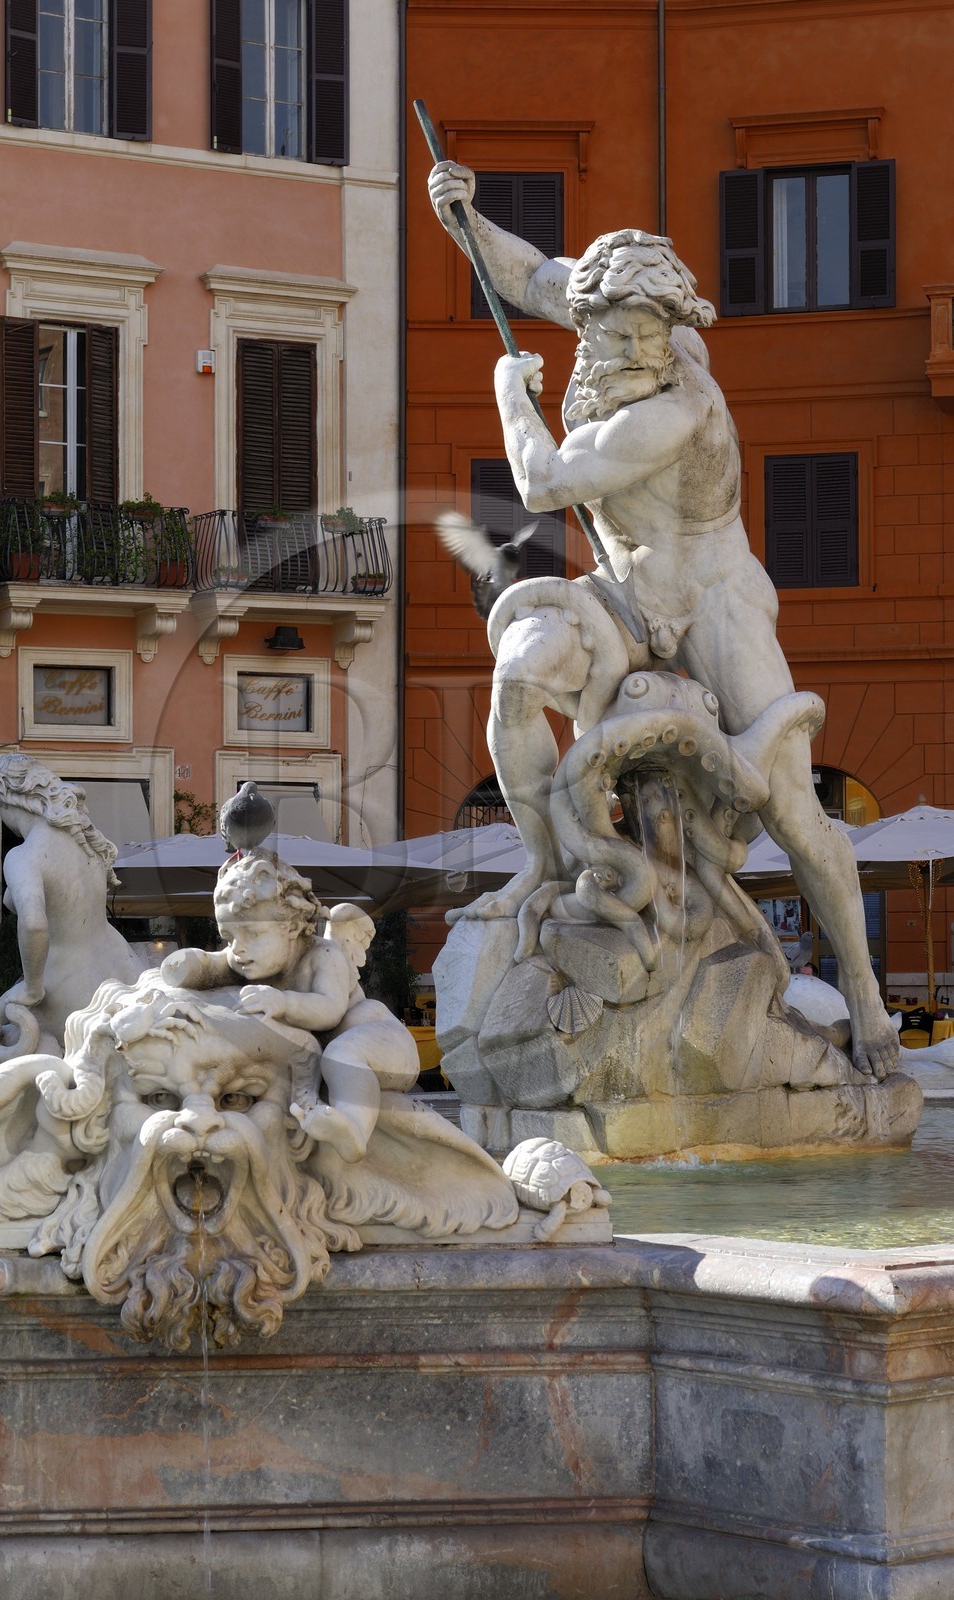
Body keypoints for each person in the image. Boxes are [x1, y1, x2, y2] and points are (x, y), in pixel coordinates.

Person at [427, 161, 899, 1080]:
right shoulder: (597, 309)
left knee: (795, 810)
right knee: (519, 675)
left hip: (716, 600)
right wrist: (463, 219)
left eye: (657, 333)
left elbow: (543, 483)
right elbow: (527, 276)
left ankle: (868, 995)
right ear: (591, 323)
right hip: (622, 593)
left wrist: (508, 394)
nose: (645, 349)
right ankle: (544, 863)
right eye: (625, 335)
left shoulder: (678, 406)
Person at [161, 852, 419, 1163]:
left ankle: (353, 1130)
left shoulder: (324, 955)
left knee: (340, 1055)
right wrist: (185, 965)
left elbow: (330, 1010)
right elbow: (213, 965)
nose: (238, 948)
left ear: (293, 927)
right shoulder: (249, 957)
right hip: (339, 1054)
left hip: (384, 1043)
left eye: (253, 933)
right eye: (228, 936)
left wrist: (283, 1002)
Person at [0, 754, 146, 1066]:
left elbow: (34, 924)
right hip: (121, 969)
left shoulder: (24, 856)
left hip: (64, 985)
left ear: (8, 801)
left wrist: (31, 987)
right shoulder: (87, 845)